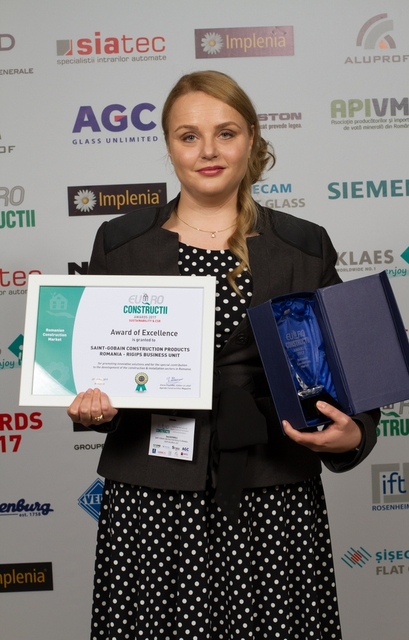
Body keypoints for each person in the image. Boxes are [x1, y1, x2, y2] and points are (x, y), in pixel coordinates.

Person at [68, 70, 379, 640]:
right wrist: (95, 407)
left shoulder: (304, 244)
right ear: (168, 145)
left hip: (274, 492)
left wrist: (354, 434)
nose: (208, 151)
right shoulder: (120, 242)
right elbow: (101, 366)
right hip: (152, 498)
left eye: (226, 133)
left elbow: (350, 376)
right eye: (189, 136)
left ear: (251, 138)